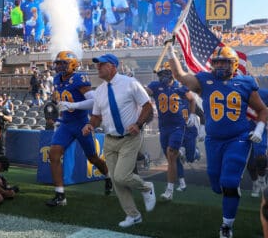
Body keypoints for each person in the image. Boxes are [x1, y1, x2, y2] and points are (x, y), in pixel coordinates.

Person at [166, 42, 268, 238]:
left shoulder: (246, 83)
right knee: (216, 184)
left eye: (224, 63)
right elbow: (180, 76)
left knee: (229, 182)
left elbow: (262, 110)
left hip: (238, 138)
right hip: (213, 140)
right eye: (217, 63)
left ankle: (227, 226)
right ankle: (228, 194)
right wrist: (171, 52)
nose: (220, 66)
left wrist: (260, 128)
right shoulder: (205, 80)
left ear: (234, 64)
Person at [82, 53, 155, 228]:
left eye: (101, 64)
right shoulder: (99, 91)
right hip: (110, 139)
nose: (97, 67)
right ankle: (133, 215)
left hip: (130, 137)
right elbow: (97, 116)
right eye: (97, 65)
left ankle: (146, 187)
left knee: (122, 176)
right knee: (115, 180)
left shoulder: (130, 83)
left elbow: (147, 106)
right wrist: (90, 125)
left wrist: (138, 124)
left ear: (113, 66)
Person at [46, 51, 111, 207]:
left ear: (73, 64)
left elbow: (94, 102)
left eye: (63, 63)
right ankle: (60, 195)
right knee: (53, 154)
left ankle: (109, 176)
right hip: (65, 123)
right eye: (58, 63)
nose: (60, 66)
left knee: (93, 158)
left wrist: (73, 105)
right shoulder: (56, 79)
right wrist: (54, 111)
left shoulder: (78, 78)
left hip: (81, 123)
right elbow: (60, 99)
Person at [144, 62, 198, 200]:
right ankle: (179, 182)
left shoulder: (179, 87)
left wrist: (192, 114)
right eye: (161, 74)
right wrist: (137, 87)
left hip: (178, 127)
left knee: (171, 153)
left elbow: (192, 100)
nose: (163, 77)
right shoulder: (155, 86)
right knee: (170, 159)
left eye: (165, 73)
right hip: (163, 127)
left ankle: (169, 191)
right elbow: (145, 93)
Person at [247, 88, 268, 198]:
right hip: (243, 129)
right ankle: (256, 182)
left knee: (260, 158)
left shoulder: (263, 94)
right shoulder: (235, 93)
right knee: (248, 164)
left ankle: (261, 179)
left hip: (260, 128)